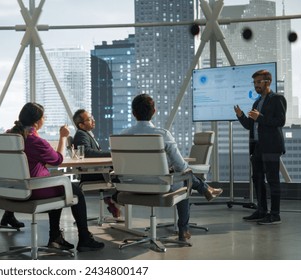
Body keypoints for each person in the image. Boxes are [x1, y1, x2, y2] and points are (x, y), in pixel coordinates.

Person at [120, 94, 223, 241]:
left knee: (184, 176)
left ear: (133, 113)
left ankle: (206, 189)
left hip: (131, 185)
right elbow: (181, 166)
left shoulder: (123, 135)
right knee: (186, 178)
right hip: (160, 185)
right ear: (154, 111)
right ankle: (184, 228)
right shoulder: (162, 134)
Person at [9, 102, 104, 252]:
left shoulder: (10, 136)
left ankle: (55, 238)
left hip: (10, 189)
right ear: (37, 122)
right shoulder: (35, 141)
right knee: (75, 191)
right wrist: (63, 137)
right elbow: (57, 160)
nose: (44, 119)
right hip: (33, 189)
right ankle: (84, 238)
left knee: (57, 186)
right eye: (44, 117)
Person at [234, 69, 287, 225]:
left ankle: (275, 214)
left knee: (272, 180)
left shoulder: (278, 99)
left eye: (259, 82)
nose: (256, 85)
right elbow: (250, 125)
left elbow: (280, 121)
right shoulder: (257, 102)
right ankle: (262, 211)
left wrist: (260, 117)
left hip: (271, 146)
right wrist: (241, 116)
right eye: (255, 82)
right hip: (257, 147)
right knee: (257, 179)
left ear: (268, 82)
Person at [72, 109, 121, 218]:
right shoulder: (81, 134)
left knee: (123, 173)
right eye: (89, 119)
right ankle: (115, 200)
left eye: (92, 117)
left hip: (96, 170)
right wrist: (112, 153)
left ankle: (115, 201)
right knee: (125, 176)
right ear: (81, 125)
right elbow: (87, 152)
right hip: (93, 173)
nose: (93, 120)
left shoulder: (86, 134)